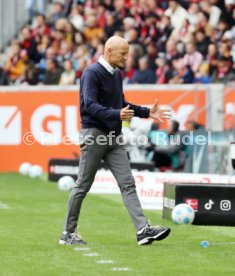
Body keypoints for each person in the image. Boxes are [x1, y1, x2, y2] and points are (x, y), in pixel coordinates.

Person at [59, 36, 171, 246]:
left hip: (114, 137)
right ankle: (68, 233)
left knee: (127, 183)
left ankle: (142, 230)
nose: (127, 57)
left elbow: (121, 104)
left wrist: (146, 112)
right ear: (109, 51)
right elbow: (89, 105)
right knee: (83, 185)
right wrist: (116, 114)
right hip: (94, 135)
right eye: (123, 53)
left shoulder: (116, 74)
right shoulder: (91, 73)